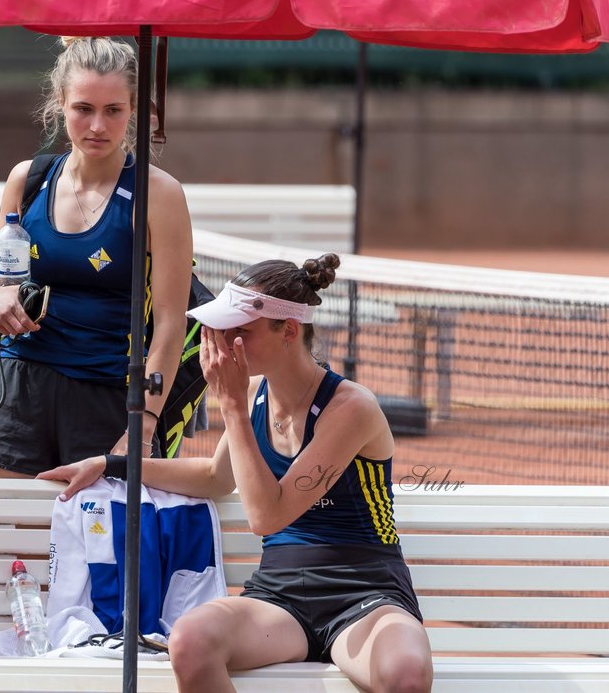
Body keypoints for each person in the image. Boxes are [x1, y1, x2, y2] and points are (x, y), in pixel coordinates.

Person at [40, 255, 433, 693]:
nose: (224, 343)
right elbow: (214, 476)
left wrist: (230, 408)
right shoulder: (251, 393)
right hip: (281, 596)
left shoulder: (350, 407)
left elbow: (268, 516)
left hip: (366, 594)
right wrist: (113, 465)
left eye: (239, 332)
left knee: (405, 674)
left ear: (288, 331)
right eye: (220, 331)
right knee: (189, 642)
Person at [0, 36, 193, 477]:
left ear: (134, 110)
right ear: (60, 103)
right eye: (83, 108)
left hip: (107, 399)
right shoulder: (28, 179)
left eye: (113, 110)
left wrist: (144, 425)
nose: (97, 126)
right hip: (15, 390)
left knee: (94, 546)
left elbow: (171, 322)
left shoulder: (159, 195)